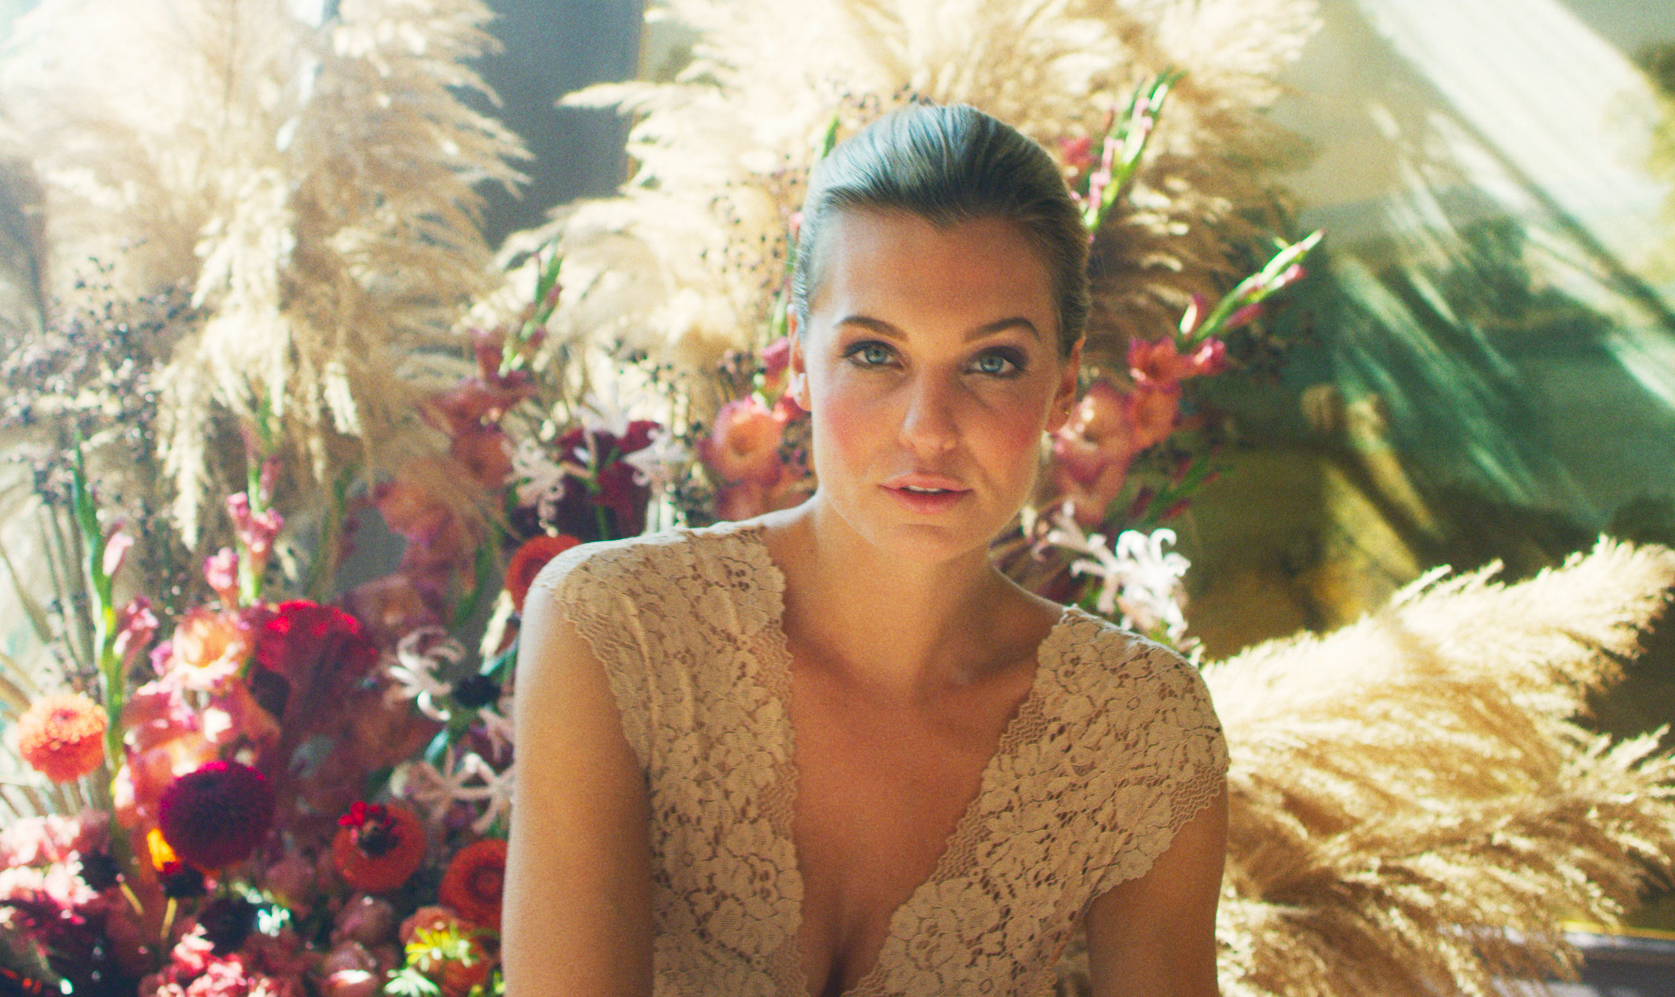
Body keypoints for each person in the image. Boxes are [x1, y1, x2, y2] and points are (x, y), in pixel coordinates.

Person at [504, 103, 1229, 997]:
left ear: (1064, 384)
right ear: (799, 363)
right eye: (875, 352)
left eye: (993, 362)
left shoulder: (1141, 733)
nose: (929, 430)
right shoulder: (614, 630)